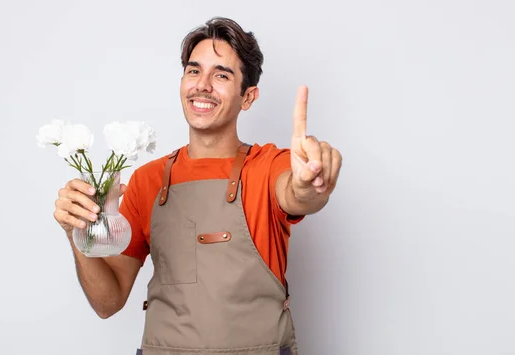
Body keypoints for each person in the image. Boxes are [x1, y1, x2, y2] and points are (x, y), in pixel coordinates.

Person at [53, 17, 342, 355]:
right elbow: (108, 301)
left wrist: (310, 183)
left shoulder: (268, 166)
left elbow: (297, 193)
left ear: (247, 97)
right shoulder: (148, 180)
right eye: (194, 71)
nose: (202, 85)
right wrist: (76, 232)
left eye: (221, 75)